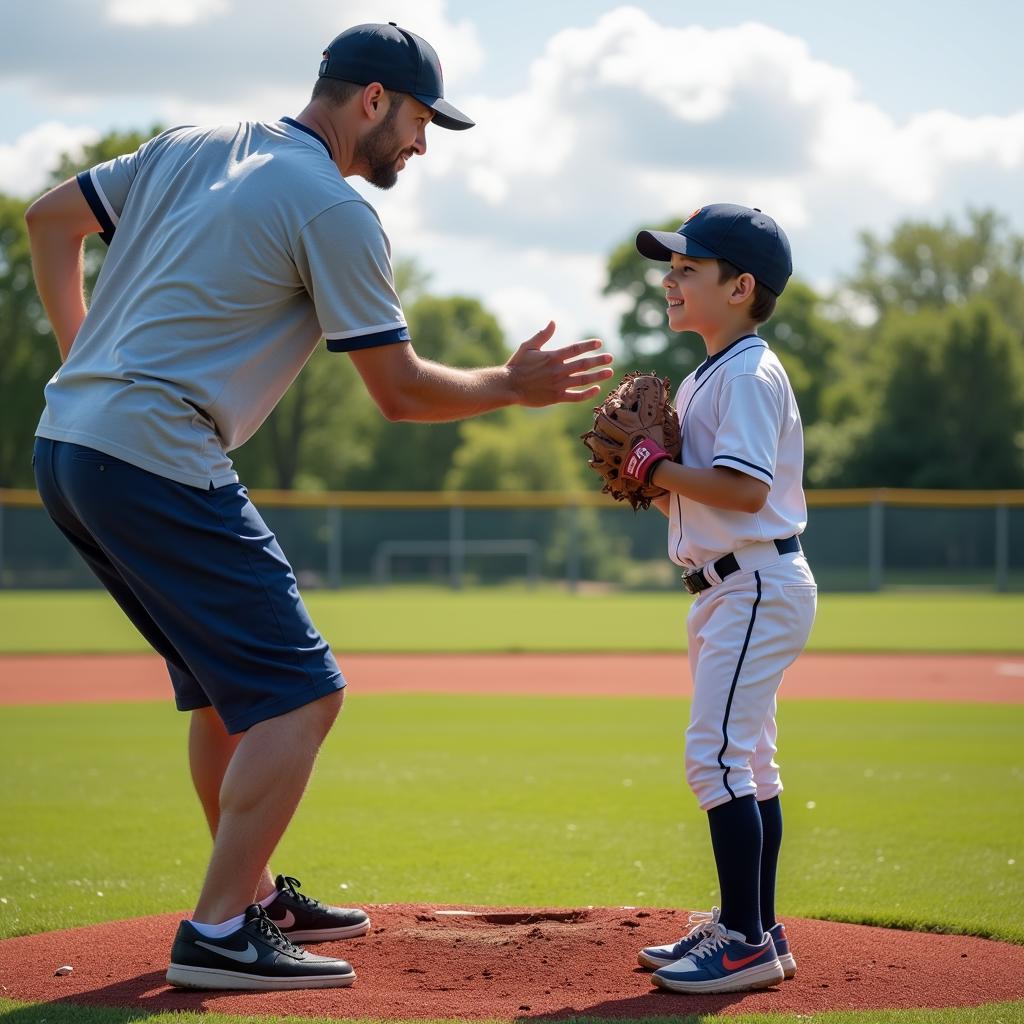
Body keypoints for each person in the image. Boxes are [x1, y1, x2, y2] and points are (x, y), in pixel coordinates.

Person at [25, 21, 612, 992]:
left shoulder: (189, 145)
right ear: (373, 99)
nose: (423, 145)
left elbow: (50, 220)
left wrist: (82, 367)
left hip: (69, 445)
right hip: (152, 452)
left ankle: (248, 891)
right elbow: (399, 391)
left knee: (226, 693)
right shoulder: (333, 210)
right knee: (304, 692)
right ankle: (218, 931)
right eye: (423, 120)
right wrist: (512, 383)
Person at [623, 204, 817, 994]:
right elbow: (710, 494)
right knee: (749, 764)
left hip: (753, 580)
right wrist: (651, 475)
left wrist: (652, 467)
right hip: (734, 583)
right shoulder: (716, 370)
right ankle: (756, 928)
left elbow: (741, 490)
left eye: (686, 268)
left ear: (740, 287)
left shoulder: (744, 373)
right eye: (670, 267)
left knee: (716, 760)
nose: (669, 279)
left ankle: (741, 941)